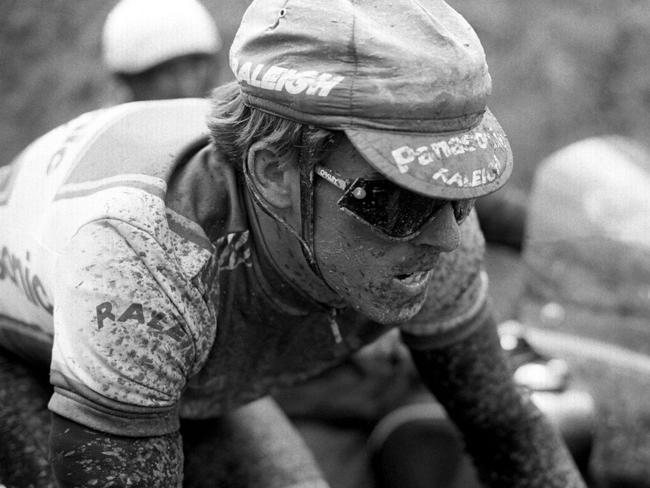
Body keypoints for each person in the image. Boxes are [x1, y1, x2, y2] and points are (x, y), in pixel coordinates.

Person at [0, 0, 587, 486]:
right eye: (400, 201)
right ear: (275, 175)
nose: (446, 238)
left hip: (198, 371)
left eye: (458, 194)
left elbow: (503, 429)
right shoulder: (147, 250)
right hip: (26, 361)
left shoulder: (437, 233)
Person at [102, 0, 222, 102]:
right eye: (168, 71)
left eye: (195, 66)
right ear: (130, 83)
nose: (187, 86)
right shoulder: (102, 128)